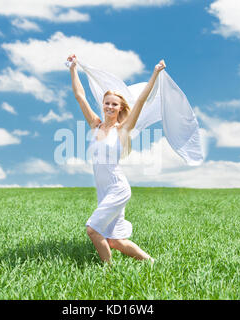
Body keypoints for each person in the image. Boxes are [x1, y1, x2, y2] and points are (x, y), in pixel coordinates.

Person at [68, 54, 165, 264]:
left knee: (93, 230)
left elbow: (140, 100)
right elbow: (80, 96)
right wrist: (73, 68)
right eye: (107, 103)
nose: (110, 107)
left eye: (114, 104)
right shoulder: (95, 125)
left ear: (120, 108)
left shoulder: (123, 130)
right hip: (103, 190)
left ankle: (108, 271)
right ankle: (151, 262)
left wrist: (155, 73)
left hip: (117, 188)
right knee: (115, 240)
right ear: (103, 104)